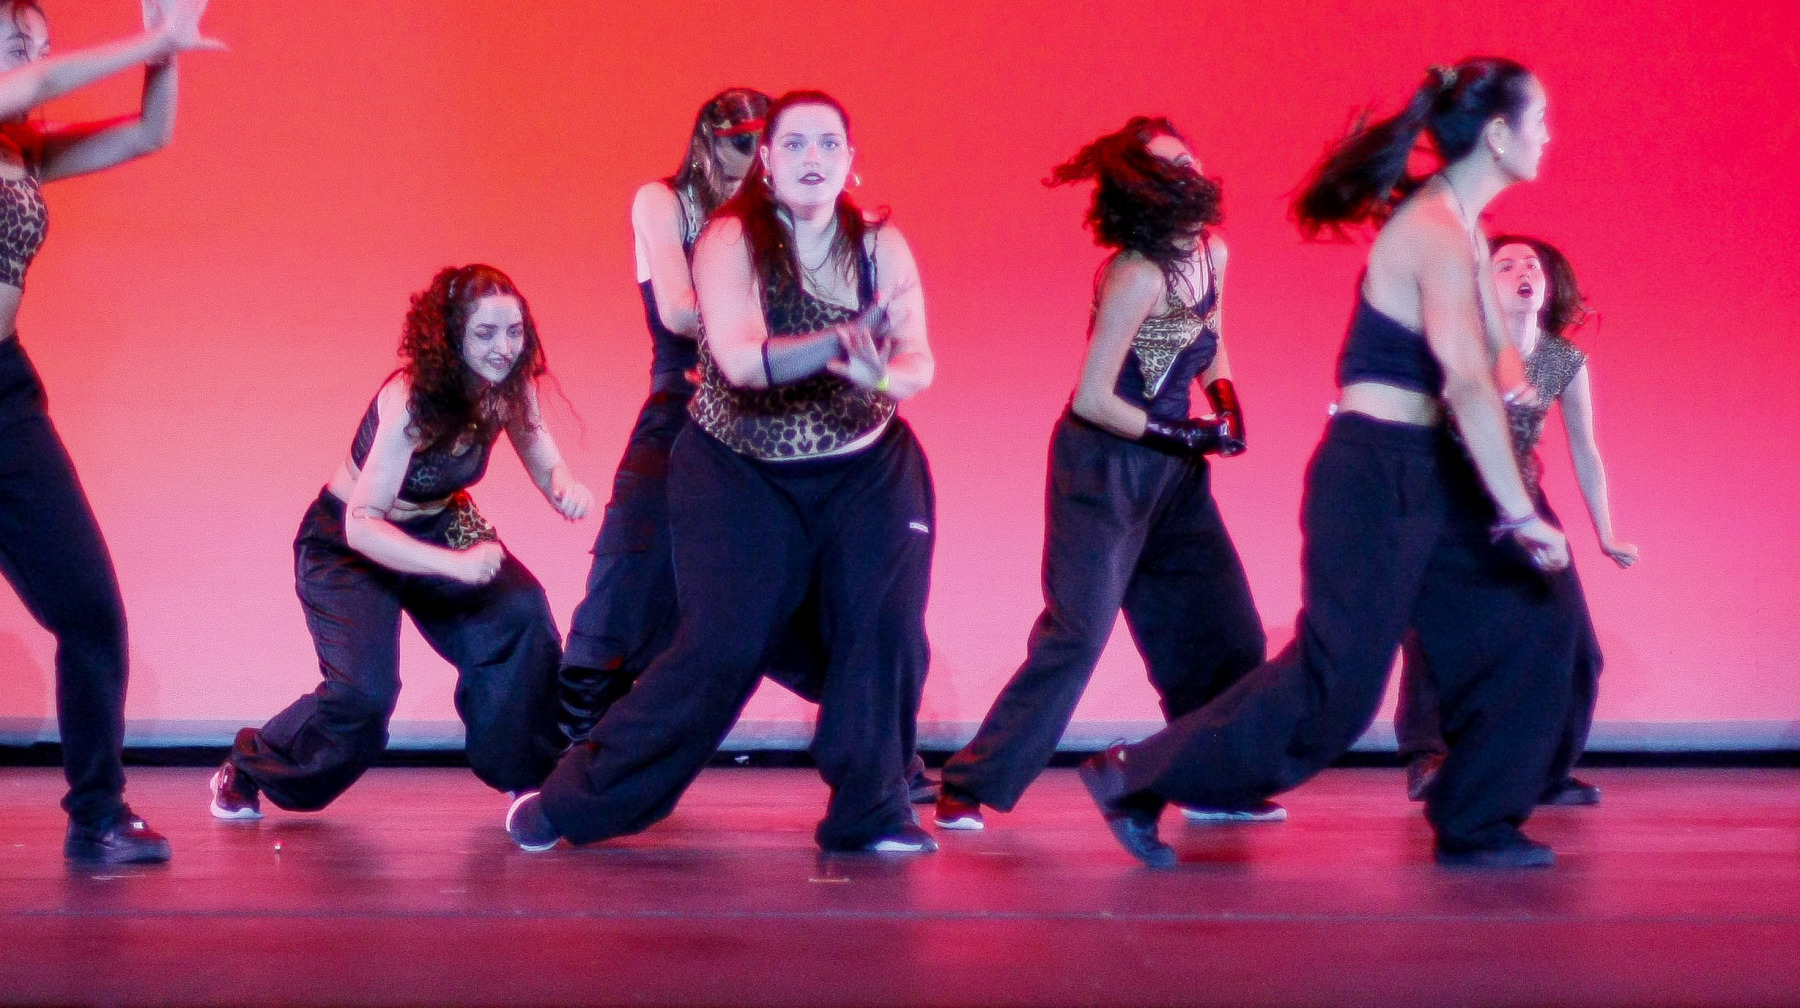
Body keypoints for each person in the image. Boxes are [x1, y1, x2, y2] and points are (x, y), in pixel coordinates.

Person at [1079, 58, 1581, 870]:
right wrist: (1520, 512)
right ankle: (1134, 775)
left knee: (1536, 620)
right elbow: (1463, 380)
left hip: (1430, 471)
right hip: (1378, 476)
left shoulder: (1463, 227)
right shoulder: (1434, 229)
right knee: (1335, 691)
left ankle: (1477, 819)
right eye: (1540, 121)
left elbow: (1492, 358)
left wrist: (1519, 380)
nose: (1550, 136)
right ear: (1497, 135)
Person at [511, 90, 938, 854]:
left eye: (828, 144)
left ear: (851, 160)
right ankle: (572, 802)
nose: (812, 157)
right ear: (767, 161)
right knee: (722, 647)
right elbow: (740, 362)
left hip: (867, 469)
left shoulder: (880, 243)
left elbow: (916, 365)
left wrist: (875, 373)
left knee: (887, 631)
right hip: (740, 470)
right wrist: (840, 343)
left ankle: (872, 811)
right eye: (794, 144)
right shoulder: (729, 238)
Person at [934, 117, 1272, 832]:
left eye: (1188, 158)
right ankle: (970, 782)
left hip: (1174, 475)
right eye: (1168, 167)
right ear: (1142, 189)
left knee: (1225, 629)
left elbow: (1210, 337)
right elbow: (1093, 396)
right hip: (1104, 468)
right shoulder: (1136, 273)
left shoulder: (1213, 252)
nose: (1187, 172)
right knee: (1078, 634)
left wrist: (1227, 407)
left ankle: (1208, 777)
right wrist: (1188, 432)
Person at [209, 265, 592, 819]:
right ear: (452, 335)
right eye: (485, 333)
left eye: (514, 331)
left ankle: (529, 778)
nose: (504, 348)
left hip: (438, 522)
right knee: (363, 698)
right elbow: (362, 525)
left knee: (520, 612)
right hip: (346, 543)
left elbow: (544, 457)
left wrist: (564, 487)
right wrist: (456, 567)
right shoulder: (413, 401)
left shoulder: (510, 390)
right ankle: (248, 765)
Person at [0, 0, 223, 863]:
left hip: (6, 396)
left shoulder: (24, 151)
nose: (36, 62)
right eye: (17, 44)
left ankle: (98, 811)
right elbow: (26, 88)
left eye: (41, 46)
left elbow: (147, 135)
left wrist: (167, 52)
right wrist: (147, 37)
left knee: (90, 610)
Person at [558, 89, 770, 737]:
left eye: (766, 146)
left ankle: (882, 753)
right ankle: (573, 749)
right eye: (742, 143)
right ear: (707, 142)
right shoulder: (665, 202)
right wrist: (777, 323)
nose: (755, 159)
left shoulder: (777, 219)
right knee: (631, 567)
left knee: (775, 582)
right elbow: (678, 310)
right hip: (685, 402)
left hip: (763, 411)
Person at [1397, 234, 1636, 805]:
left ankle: (1546, 769)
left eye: (1532, 265)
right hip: (1449, 499)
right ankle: (1430, 757)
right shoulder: (1456, 346)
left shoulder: (1562, 360)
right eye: (1505, 265)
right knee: (1434, 630)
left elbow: (1586, 451)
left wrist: (1605, 531)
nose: (1523, 272)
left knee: (1573, 642)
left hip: (1522, 500)